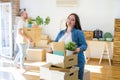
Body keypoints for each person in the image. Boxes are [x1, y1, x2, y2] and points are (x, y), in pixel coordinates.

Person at [55, 13, 87, 80]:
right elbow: (55, 43)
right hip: (63, 61)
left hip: (76, 61)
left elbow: (84, 45)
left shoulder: (78, 32)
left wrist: (78, 49)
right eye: (69, 18)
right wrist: (51, 49)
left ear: (75, 23)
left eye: (72, 20)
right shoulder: (61, 32)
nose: (69, 21)